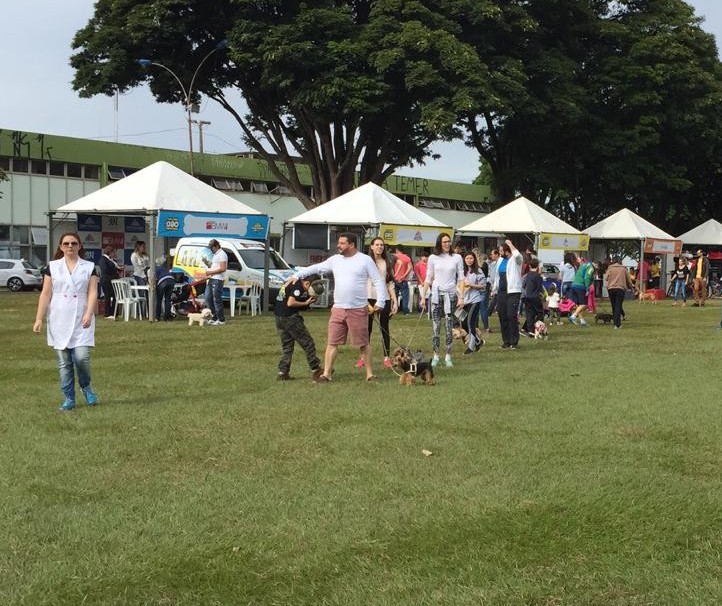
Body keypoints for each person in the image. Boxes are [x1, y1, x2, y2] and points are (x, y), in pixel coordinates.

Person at [290, 233, 386, 382]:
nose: (338, 245)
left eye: (342, 243)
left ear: (352, 244)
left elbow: (378, 281)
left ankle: (370, 375)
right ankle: (326, 374)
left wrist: (381, 301)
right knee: (332, 342)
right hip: (338, 309)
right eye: (339, 243)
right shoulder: (335, 260)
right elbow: (317, 267)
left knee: (363, 343)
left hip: (358, 309)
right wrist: (297, 275)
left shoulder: (365, 260)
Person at [33, 232, 99, 411]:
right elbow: (46, 293)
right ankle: (69, 397)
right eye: (66, 243)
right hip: (59, 318)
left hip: (81, 318)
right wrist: (39, 318)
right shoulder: (52, 267)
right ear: (61, 246)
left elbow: (93, 292)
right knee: (64, 362)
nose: (70, 246)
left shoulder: (89, 267)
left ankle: (86, 386)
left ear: (79, 246)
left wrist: (89, 312)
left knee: (82, 357)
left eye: (74, 243)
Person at [421, 233, 464, 367]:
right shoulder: (433, 258)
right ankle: (435, 355)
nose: (446, 244)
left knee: (449, 326)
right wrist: (423, 296)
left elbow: (461, 278)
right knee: (436, 327)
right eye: (444, 241)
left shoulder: (457, 257)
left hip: (450, 295)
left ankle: (448, 355)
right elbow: (428, 277)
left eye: (448, 241)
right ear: (439, 243)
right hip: (436, 295)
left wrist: (461, 296)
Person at [357, 237, 398, 369]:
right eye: (377, 245)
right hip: (368, 298)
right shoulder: (365, 262)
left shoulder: (387, 262)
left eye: (382, 245)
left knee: (384, 328)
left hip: (384, 298)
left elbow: (390, 283)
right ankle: (363, 357)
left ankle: (386, 357)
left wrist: (394, 300)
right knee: (366, 329)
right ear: (372, 247)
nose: (380, 247)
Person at [274, 275, 324, 381]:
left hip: (279, 318)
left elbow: (291, 301)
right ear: (307, 284)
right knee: (308, 342)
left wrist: (306, 302)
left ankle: (283, 372)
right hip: (290, 318)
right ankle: (316, 369)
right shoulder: (298, 286)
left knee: (287, 346)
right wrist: (306, 302)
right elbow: (290, 302)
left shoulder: (291, 283)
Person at [492, 240, 523, 349]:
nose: (499, 253)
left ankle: (514, 341)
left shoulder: (515, 260)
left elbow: (518, 255)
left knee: (511, 315)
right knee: (502, 316)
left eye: (501, 250)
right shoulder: (500, 260)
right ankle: (506, 341)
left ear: (507, 251)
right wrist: (494, 289)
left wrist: (510, 244)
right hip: (501, 292)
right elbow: (497, 276)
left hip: (513, 291)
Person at [198, 239, 228, 325]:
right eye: (211, 248)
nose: (211, 249)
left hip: (218, 279)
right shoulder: (216, 254)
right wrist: (206, 262)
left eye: (212, 247)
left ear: (217, 246)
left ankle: (221, 320)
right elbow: (214, 266)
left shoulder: (222, 254)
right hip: (211, 279)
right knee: (208, 298)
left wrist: (210, 272)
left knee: (216, 299)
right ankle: (215, 317)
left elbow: (223, 268)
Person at [462, 252, 485, 354]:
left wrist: (472, 285)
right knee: (463, 323)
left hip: (475, 300)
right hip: (464, 301)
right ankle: (477, 341)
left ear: (474, 259)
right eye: (467, 258)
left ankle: (471, 348)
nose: (469, 260)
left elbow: (483, 285)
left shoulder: (478, 271)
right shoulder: (463, 271)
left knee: (470, 323)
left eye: (471, 258)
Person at [605, 256, 634, 329]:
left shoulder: (610, 268)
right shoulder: (623, 269)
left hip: (611, 289)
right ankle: (617, 324)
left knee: (614, 306)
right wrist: (631, 287)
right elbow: (629, 280)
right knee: (618, 305)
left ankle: (615, 323)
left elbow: (606, 278)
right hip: (620, 289)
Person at [568, 254, 594, 327]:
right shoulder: (591, 267)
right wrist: (587, 288)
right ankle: (573, 316)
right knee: (584, 304)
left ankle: (582, 321)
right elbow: (587, 277)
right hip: (580, 286)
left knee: (580, 305)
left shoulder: (583, 265)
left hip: (574, 285)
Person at [521, 257, 544, 336]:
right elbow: (539, 288)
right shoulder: (538, 276)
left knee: (530, 313)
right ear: (537, 266)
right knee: (540, 313)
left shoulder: (527, 275)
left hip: (527, 296)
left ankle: (529, 329)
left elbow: (523, 285)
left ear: (530, 266)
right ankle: (538, 327)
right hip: (535, 297)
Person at [98, 244, 121, 319]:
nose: (115, 254)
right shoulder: (103, 259)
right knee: (107, 296)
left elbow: (113, 267)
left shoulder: (111, 260)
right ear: (110, 252)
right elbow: (105, 270)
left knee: (114, 296)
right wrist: (114, 272)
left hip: (112, 280)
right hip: (106, 280)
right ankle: (107, 313)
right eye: (114, 252)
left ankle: (114, 312)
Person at [392, 245, 413, 314]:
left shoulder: (394, 256)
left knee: (394, 295)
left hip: (394, 279)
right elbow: (410, 268)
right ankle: (405, 310)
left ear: (397, 250)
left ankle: (393, 309)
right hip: (403, 279)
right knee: (405, 296)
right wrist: (404, 275)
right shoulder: (407, 258)